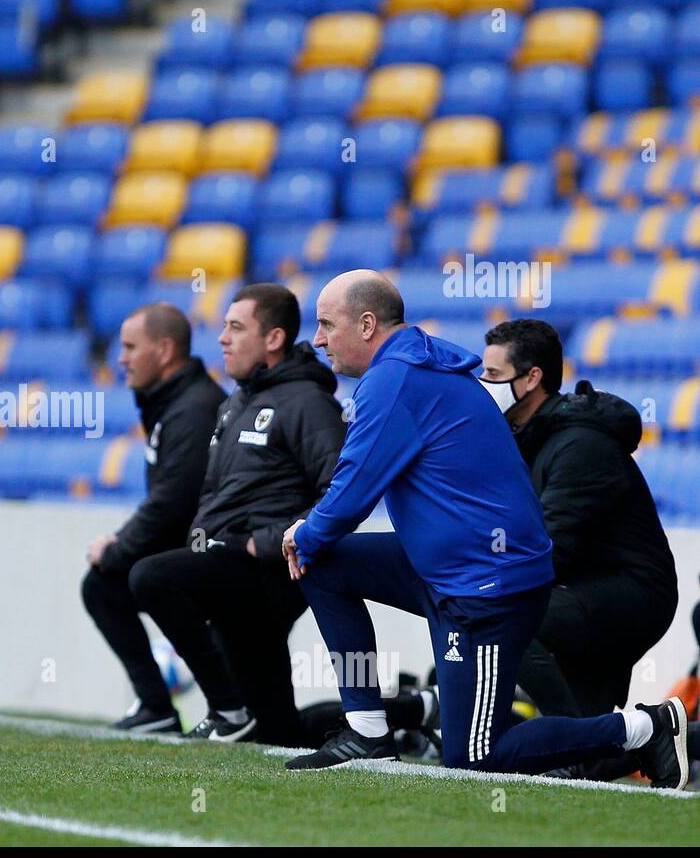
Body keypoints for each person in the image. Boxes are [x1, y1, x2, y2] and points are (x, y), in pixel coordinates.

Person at [279, 270, 689, 790]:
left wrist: (304, 533)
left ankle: (645, 727)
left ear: (365, 325)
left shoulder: (396, 378)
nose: (317, 339)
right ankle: (367, 731)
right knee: (327, 564)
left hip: (486, 586)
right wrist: (313, 538)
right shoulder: (415, 366)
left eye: (325, 324)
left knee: (475, 758)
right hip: (449, 570)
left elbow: (354, 487)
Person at [128, 283, 347, 744]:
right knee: (275, 732)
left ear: (273, 339)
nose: (223, 338)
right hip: (229, 564)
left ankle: (225, 709)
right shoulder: (237, 402)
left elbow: (339, 494)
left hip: (264, 570)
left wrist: (262, 543)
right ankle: (413, 711)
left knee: (150, 576)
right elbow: (215, 492)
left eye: (236, 327)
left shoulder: (307, 402)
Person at [480, 319, 677, 719]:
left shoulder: (580, 445)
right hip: (583, 584)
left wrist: (481, 581)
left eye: (493, 375)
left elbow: (551, 547)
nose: (483, 383)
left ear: (532, 378)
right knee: (596, 749)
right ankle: (637, 740)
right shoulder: (527, 438)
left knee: (497, 613)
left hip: (630, 592)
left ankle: (578, 742)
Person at [81, 302, 226, 732]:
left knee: (122, 578)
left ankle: (223, 706)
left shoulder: (194, 409)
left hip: (216, 554)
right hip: (191, 546)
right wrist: (120, 546)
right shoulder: (173, 402)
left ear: (163, 351)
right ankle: (157, 707)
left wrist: (118, 548)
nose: (120, 358)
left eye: (129, 347)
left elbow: (174, 502)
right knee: (104, 585)